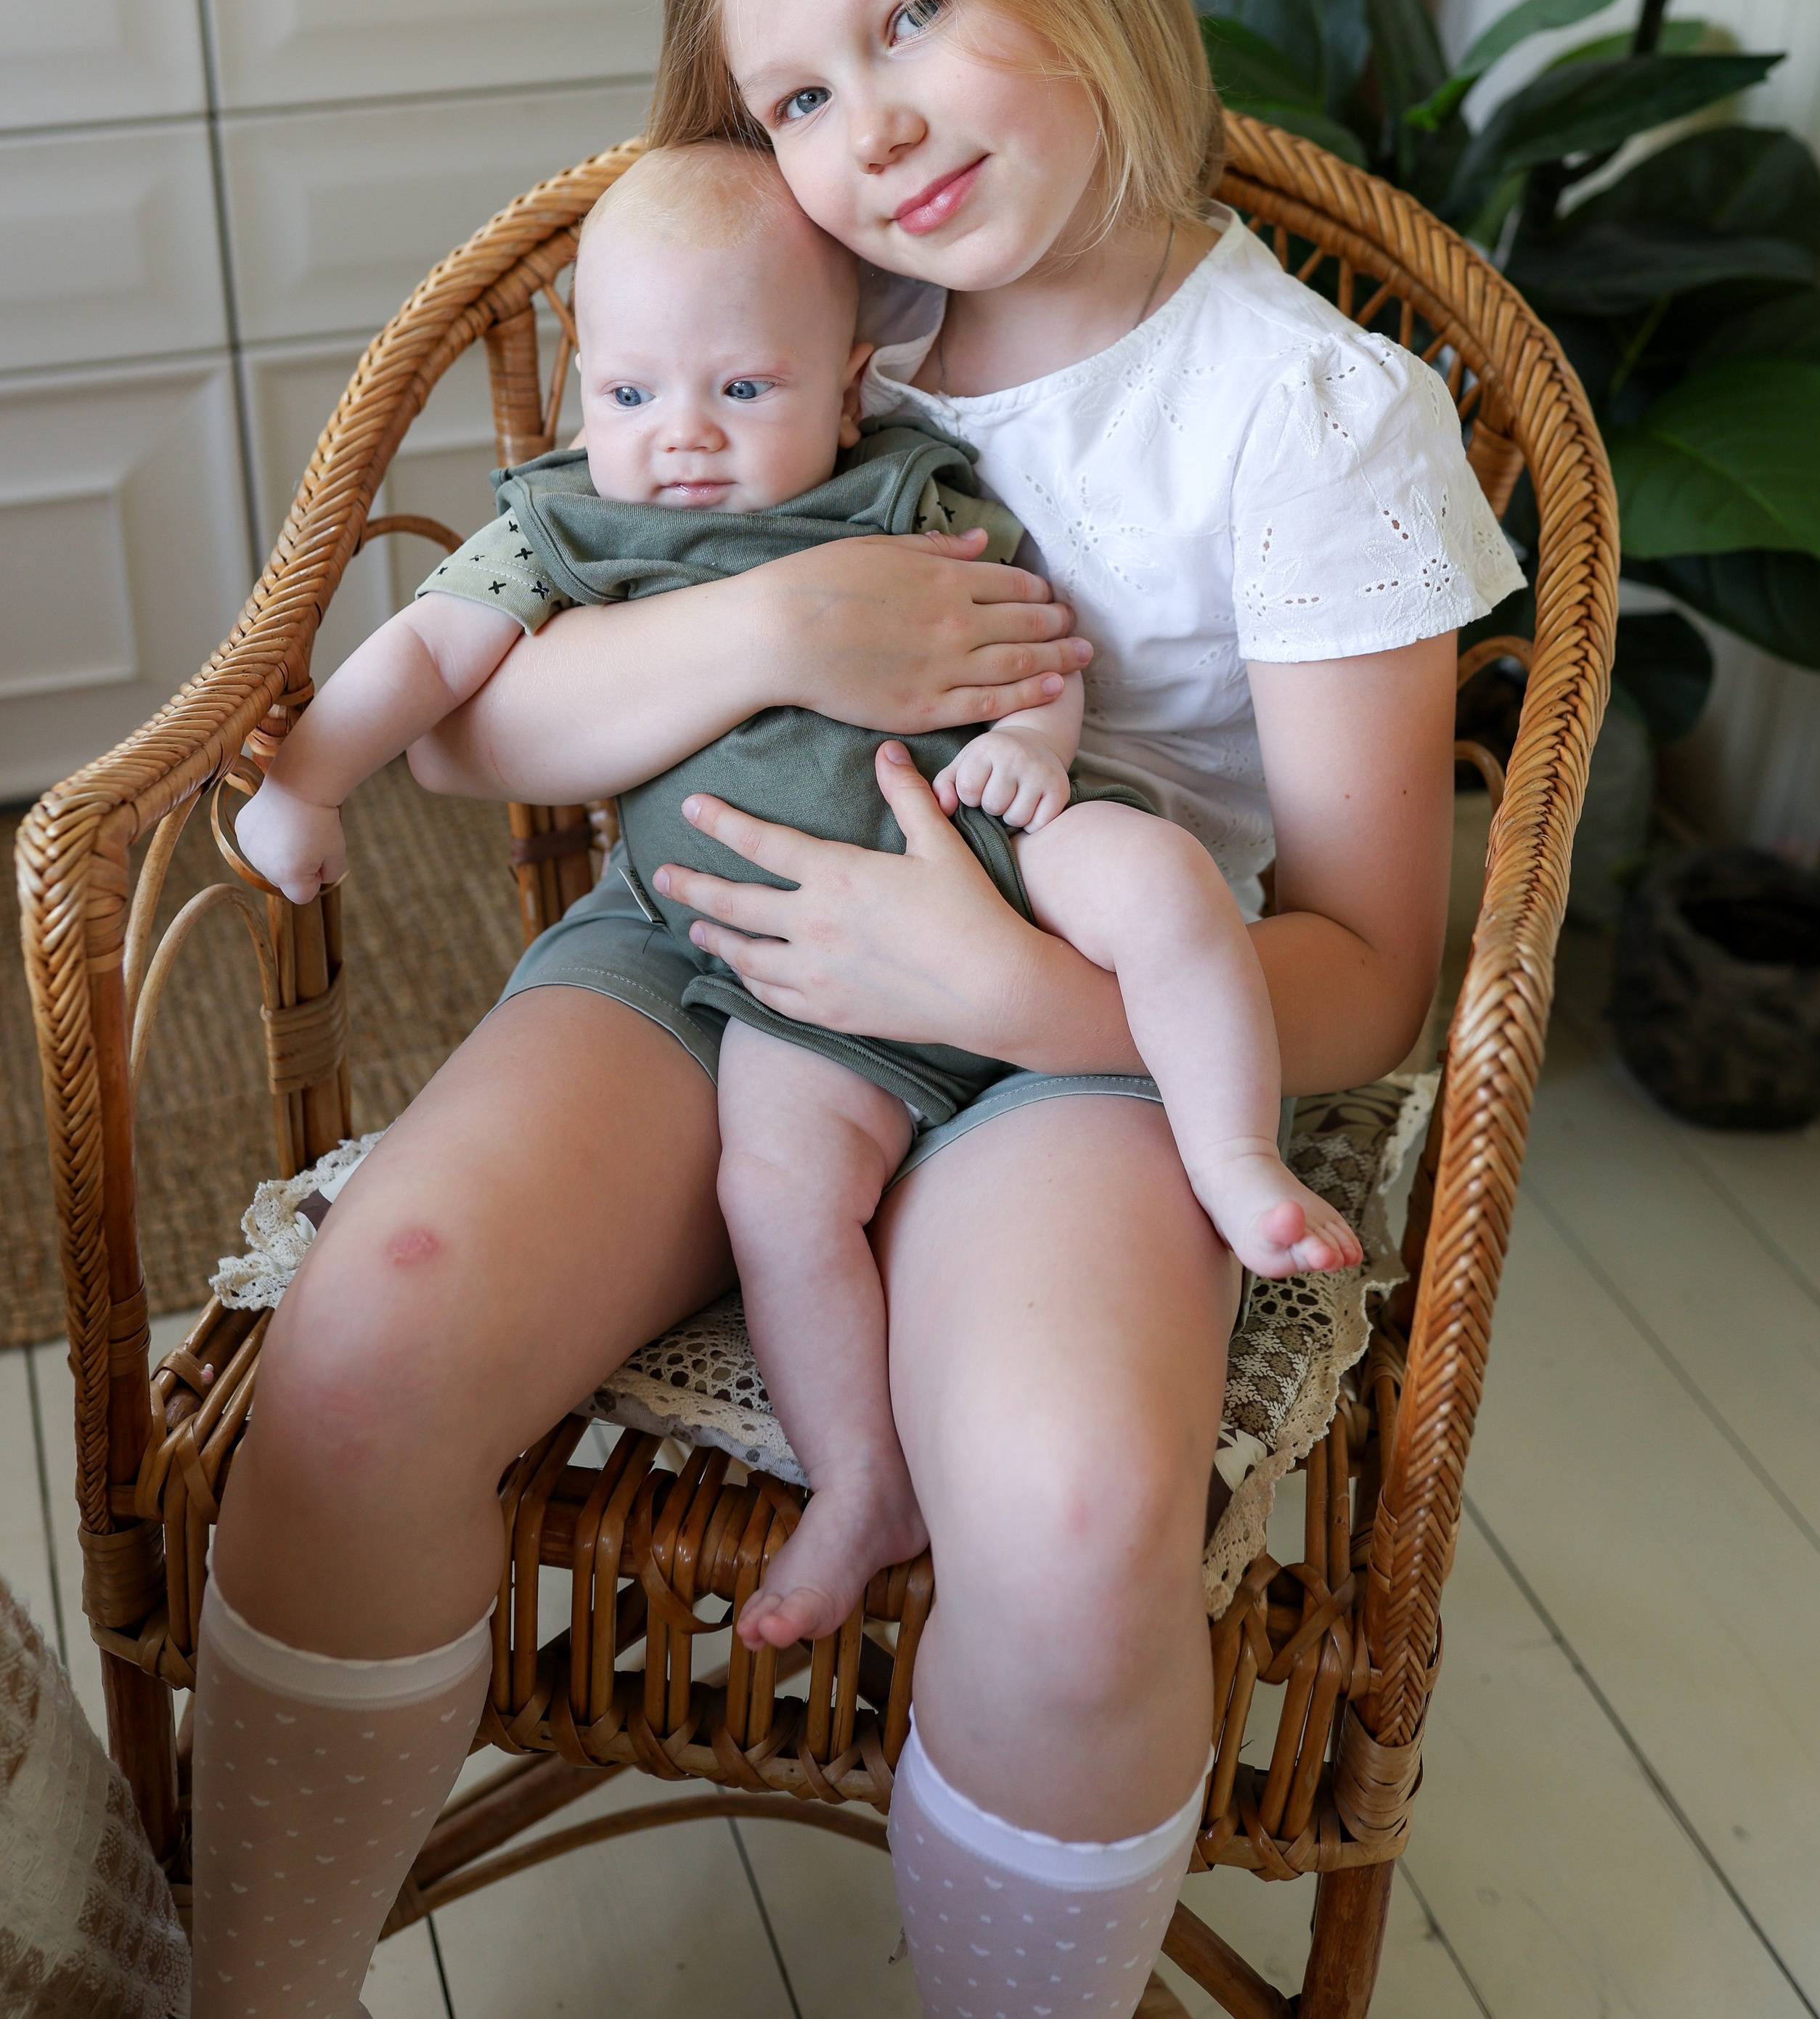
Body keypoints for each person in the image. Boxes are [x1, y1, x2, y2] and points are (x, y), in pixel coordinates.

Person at [195, 0, 1521, 2019]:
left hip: (1082, 1031)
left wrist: (1009, 1001)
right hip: (698, 952)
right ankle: (254, 1990)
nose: (870, 127)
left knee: (1083, 1510)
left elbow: (1382, 966)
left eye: (910, 15)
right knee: (368, 1334)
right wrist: (769, 622)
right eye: (798, 94)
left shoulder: (1305, 415)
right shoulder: (790, 339)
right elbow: (482, 736)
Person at [233, 136, 1358, 1669]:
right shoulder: (571, 525)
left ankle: (1229, 1158)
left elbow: (1035, 645)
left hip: (997, 863)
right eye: (629, 394)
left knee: (1158, 877)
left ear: (847, 380)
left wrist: (1030, 754)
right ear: (583, 381)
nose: (679, 439)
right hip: (780, 972)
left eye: (739, 392)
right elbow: (431, 666)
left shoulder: (904, 483)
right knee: (777, 1196)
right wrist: (305, 780)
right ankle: (860, 1475)